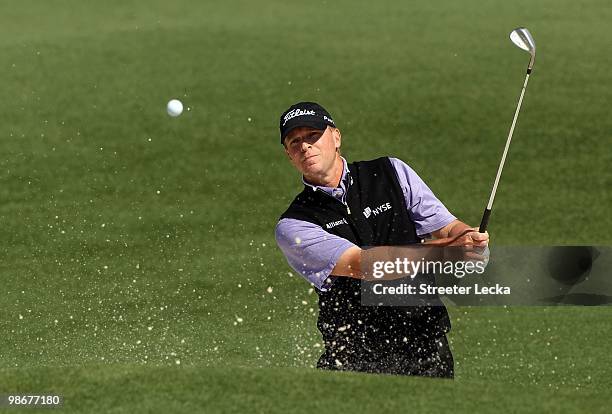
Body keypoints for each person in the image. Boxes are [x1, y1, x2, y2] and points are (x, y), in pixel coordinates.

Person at [274, 101, 489, 378]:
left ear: (336, 136)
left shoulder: (390, 172)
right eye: (295, 142)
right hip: (356, 356)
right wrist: (445, 253)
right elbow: (363, 265)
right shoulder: (295, 224)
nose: (305, 146)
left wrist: (467, 239)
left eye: (313, 136)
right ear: (288, 155)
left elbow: (446, 228)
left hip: (426, 344)